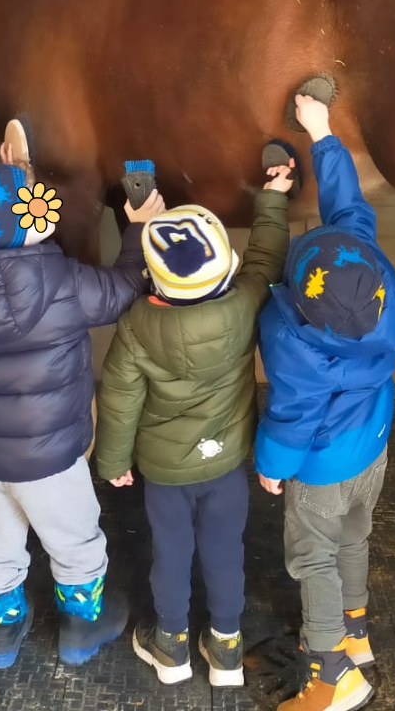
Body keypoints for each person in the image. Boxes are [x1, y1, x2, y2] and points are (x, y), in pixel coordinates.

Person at [0, 151, 163, 669]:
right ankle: (81, 628)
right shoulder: (62, 280)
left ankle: (1, 634)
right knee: (74, 538)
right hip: (55, 455)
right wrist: (138, 230)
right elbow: (123, 290)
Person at [96, 153, 293, 688]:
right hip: (226, 462)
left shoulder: (137, 326)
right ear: (226, 268)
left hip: (164, 473)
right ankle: (226, 646)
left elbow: (118, 399)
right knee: (226, 551)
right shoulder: (245, 304)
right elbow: (267, 256)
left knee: (171, 554)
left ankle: (172, 644)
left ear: (154, 282)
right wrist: (272, 198)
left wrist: (112, 462)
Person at [256, 94, 395, 711]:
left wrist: (272, 465)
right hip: (372, 445)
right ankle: (356, 629)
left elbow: (292, 415)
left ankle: (331, 675)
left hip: (321, 467)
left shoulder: (292, 341)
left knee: (311, 558)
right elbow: (348, 206)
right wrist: (323, 135)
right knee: (355, 537)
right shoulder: (377, 286)